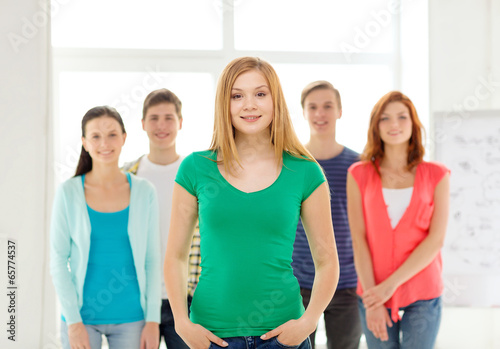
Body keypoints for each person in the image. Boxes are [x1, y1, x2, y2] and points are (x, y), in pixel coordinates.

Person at [164, 56, 340, 349]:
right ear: (224, 104)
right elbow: (176, 256)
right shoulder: (195, 168)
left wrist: (308, 322)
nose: (249, 105)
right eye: (237, 95)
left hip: (283, 336)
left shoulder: (305, 172)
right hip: (211, 336)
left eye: (260, 94)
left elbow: (327, 260)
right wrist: (182, 323)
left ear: (275, 101)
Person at [50, 106, 161, 349]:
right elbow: (58, 260)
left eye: (112, 134)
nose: (105, 143)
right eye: (96, 136)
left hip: (133, 318)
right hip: (81, 318)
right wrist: (73, 321)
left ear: (124, 138)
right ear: (85, 143)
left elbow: (152, 259)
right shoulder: (68, 192)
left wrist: (153, 320)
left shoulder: (144, 191)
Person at [347, 91, 450, 349]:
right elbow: (358, 240)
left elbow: (435, 240)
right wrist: (374, 298)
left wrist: (388, 288)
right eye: (385, 118)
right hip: (372, 292)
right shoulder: (359, 174)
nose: (394, 124)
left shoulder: (437, 175)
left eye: (402, 117)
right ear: (375, 126)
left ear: (413, 124)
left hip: (423, 292)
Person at [122, 88, 198, 348]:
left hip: (189, 297)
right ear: (143, 124)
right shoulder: (127, 176)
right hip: (137, 297)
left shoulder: (196, 175)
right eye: (154, 118)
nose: (161, 125)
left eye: (168, 117)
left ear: (180, 122)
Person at [292, 81, 361, 349]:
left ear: (339, 111)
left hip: (346, 284)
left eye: (327, 106)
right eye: (313, 107)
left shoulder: (358, 164)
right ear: (304, 112)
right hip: (298, 283)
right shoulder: (292, 163)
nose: (320, 113)